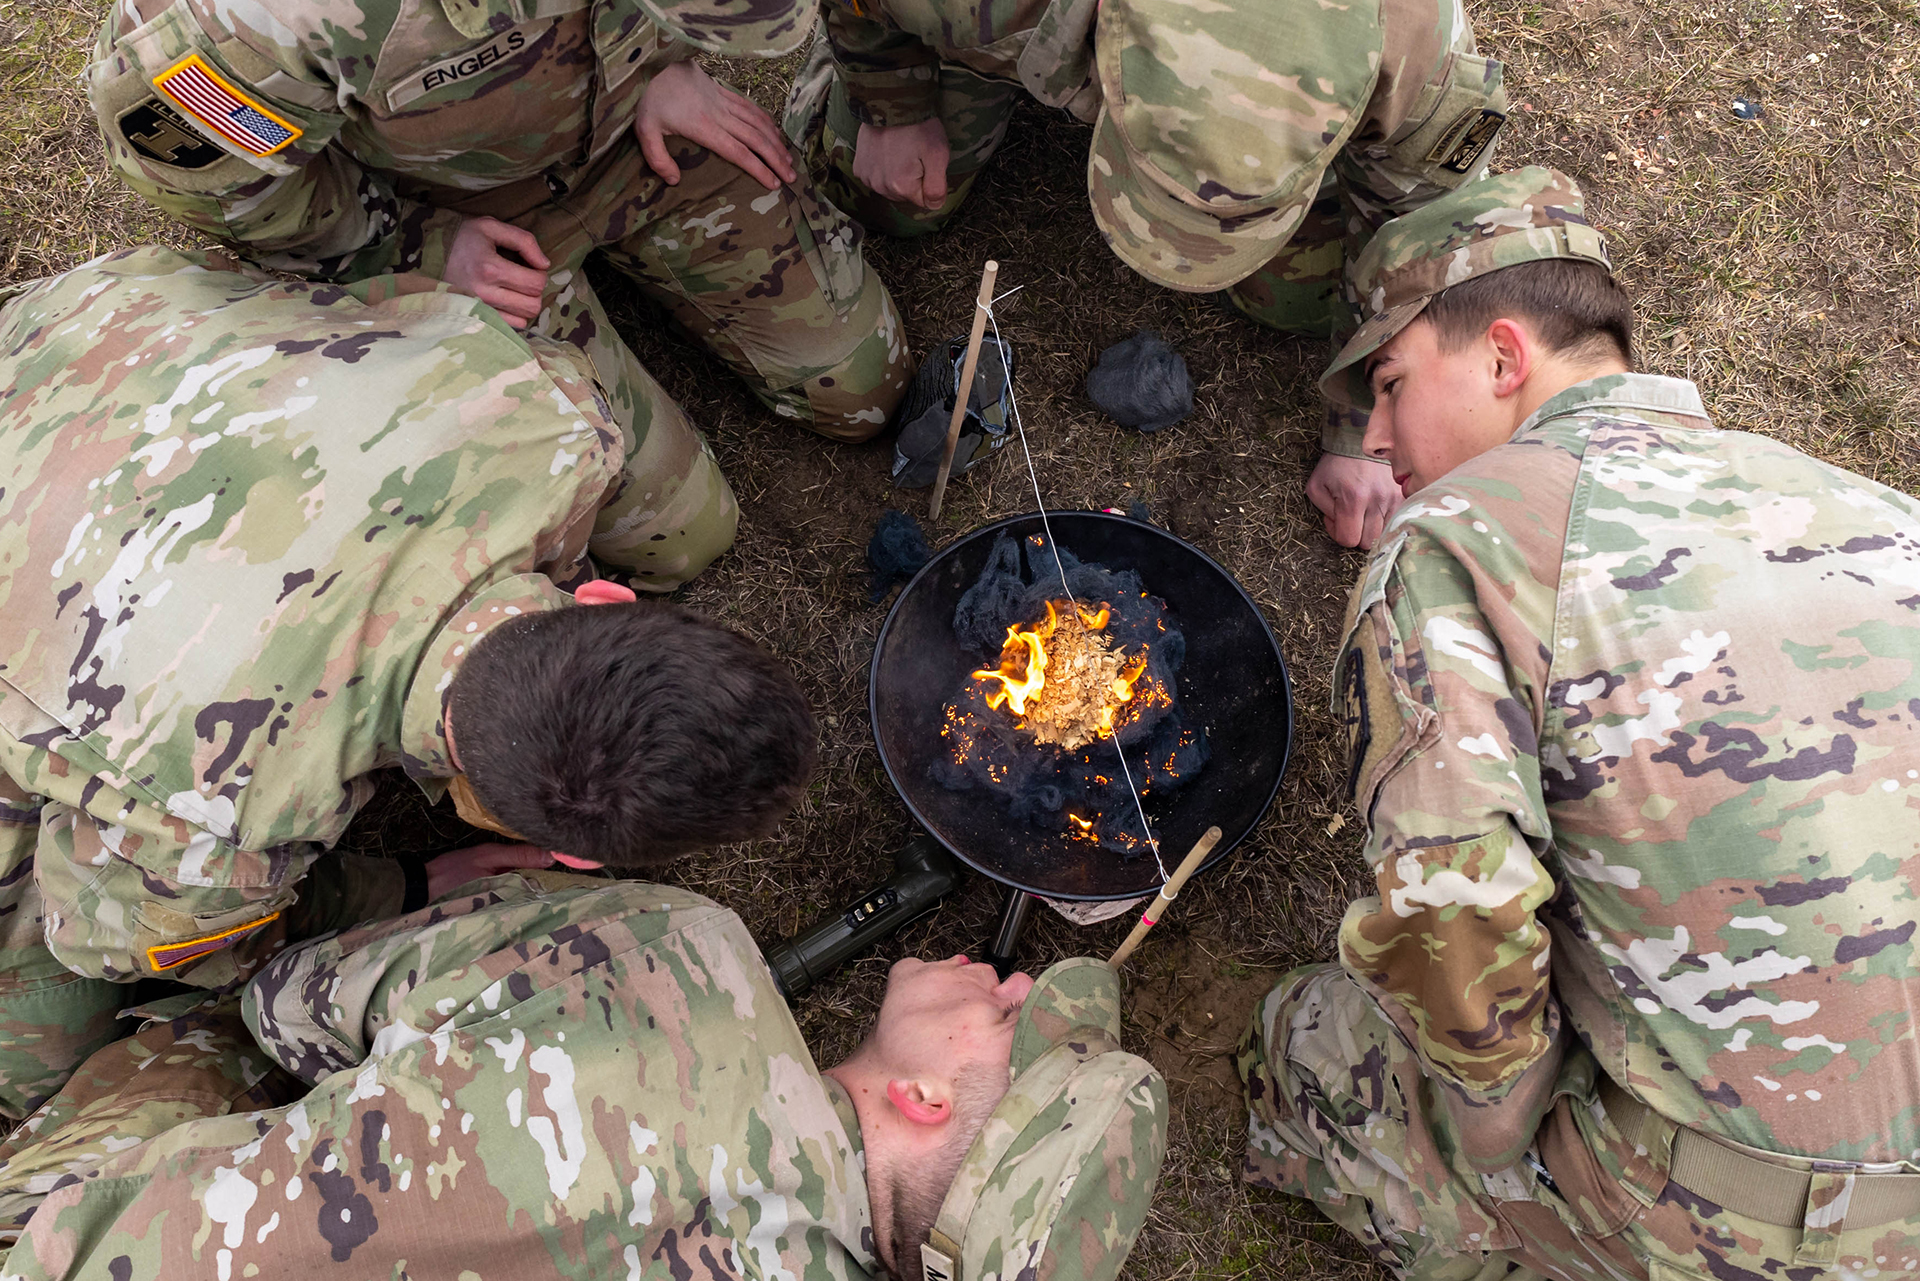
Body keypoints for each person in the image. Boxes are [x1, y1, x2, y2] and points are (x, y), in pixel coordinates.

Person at [1236, 165, 1920, 1280]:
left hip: (1731, 1222)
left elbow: (1450, 915)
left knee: (1311, 1042)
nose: (1378, 436)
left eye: (1394, 383)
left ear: (1505, 357)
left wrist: (1494, 1145)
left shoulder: (1462, 536)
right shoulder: (1883, 514)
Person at [0, 247, 817, 1125]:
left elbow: (389, 309)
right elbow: (97, 933)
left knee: (684, 526)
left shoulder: (552, 420)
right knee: (38, 1055)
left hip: (88, 324)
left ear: (606, 595)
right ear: (576, 859)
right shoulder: (219, 827)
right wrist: (394, 891)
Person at [0, 864, 1169, 1281]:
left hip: (66, 1246)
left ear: (921, 1102)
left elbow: (290, 1007)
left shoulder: (675, 959)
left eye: (1022, 1031)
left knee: (206, 1049)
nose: (1016, 985)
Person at [782, 0, 1511, 547]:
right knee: (885, 199)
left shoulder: (1415, 49)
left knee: (1294, 300)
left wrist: (1366, 429)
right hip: (998, 27)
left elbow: (1419, 240)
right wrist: (892, 107)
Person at [85, 0, 911, 445]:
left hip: (631, 123)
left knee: (860, 386)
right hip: (440, 205)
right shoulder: (270, 16)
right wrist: (412, 245)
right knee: (678, 537)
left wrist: (660, 62)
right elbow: (218, 188)